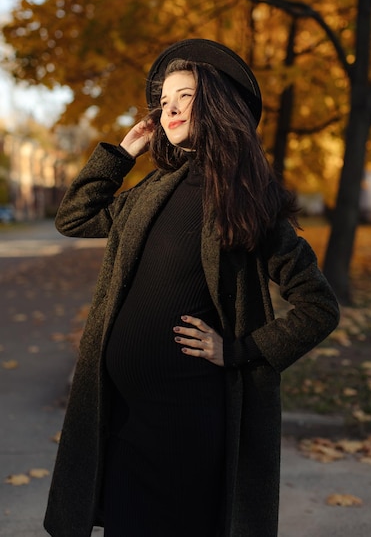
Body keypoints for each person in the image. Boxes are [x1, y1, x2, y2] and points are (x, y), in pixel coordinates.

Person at [44, 38, 340, 537]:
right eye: (163, 101)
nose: (170, 107)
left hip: (188, 426)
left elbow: (319, 306)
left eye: (185, 95)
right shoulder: (153, 191)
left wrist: (241, 350)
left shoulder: (248, 202)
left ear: (219, 104)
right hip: (124, 420)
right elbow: (74, 218)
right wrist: (121, 154)